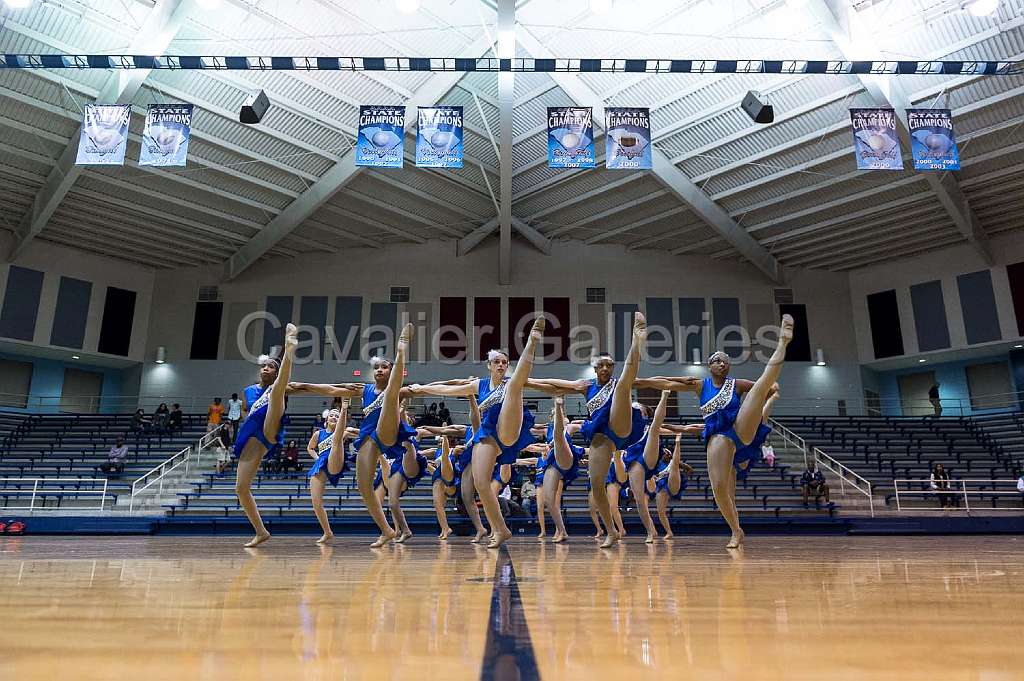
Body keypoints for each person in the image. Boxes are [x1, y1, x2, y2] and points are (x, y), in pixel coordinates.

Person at [636, 314, 794, 548]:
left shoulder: (737, 384)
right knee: (721, 489)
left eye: (726, 361)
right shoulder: (701, 385)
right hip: (718, 436)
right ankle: (736, 530)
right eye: (717, 360)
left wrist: (772, 389)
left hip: (740, 427)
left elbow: (767, 390)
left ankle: (782, 341)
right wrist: (638, 382)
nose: (723, 364)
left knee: (760, 385)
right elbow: (667, 382)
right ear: (709, 366)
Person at [409, 315, 546, 549]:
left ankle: (532, 341)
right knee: (482, 484)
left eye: (505, 362)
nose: (502, 365)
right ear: (489, 365)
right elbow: (451, 389)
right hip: (488, 433)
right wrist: (423, 388)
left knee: (515, 385)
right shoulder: (479, 385)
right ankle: (500, 530)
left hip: (511, 426)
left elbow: (543, 383)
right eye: (498, 362)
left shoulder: (510, 382)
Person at [288, 323, 416, 548]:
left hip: (388, 431)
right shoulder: (362, 389)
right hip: (368, 436)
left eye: (385, 367)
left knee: (392, 394)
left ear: (391, 370)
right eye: (376, 367)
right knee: (363, 487)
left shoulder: (399, 389)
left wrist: (463, 388)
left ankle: (402, 350)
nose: (379, 370)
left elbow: (431, 388)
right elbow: (332, 389)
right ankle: (386, 530)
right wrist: (303, 386)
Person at [529, 313, 648, 548]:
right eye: (601, 365)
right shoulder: (586, 386)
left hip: (621, 425)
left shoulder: (620, 382)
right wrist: (524, 381)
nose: (605, 368)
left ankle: (637, 339)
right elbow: (554, 384)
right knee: (596, 485)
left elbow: (651, 379)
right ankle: (611, 531)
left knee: (625, 382)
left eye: (609, 365)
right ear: (595, 368)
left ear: (613, 367)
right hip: (600, 436)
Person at [232, 323, 298, 548]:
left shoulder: (282, 385)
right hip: (252, 433)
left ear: (278, 372)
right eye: (265, 366)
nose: (266, 369)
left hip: (271, 425)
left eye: (271, 366)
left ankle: (290, 348)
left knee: (278, 389)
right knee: (240, 488)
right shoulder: (249, 390)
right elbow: (246, 410)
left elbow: (307, 387)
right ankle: (261, 531)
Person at [306, 401, 355, 545]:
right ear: (327, 419)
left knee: (339, 436)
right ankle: (327, 532)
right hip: (321, 463)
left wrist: (354, 429)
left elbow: (363, 434)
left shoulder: (343, 431)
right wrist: (317, 459)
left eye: (337, 416)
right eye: (332, 415)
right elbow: (310, 448)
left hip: (336, 461)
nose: (334, 417)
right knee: (316, 502)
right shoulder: (318, 433)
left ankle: (344, 411)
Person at [654, 433, 699, 539]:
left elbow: (691, 471)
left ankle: (677, 443)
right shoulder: (656, 463)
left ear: (669, 454)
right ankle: (669, 532)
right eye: (663, 453)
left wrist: (683, 466)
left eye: (666, 453)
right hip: (661, 487)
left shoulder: (674, 463)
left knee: (674, 465)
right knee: (660, 511)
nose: (664, 455)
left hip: (673, 483)